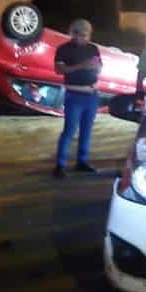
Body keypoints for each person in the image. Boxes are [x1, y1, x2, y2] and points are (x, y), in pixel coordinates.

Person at [53, 19, 102, 177]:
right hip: (74, 95)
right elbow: (59, 70)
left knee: (87, 130)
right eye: (81, 35)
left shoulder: (93, 48)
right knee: (69, 130)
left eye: (87, 35)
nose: (84, 38)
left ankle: (82, 161)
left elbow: (99, 65)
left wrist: (97, 67)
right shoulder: (64, 49)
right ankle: (60, 165)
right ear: (73, 34)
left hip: (92, 94)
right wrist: (82, 66)